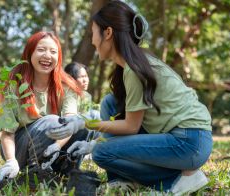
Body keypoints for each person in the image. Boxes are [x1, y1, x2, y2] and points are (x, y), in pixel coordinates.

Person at [46, 1, 213, 195]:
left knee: (101, 152)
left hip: (189, 141)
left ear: (107, 33)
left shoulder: (134, 69)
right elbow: (126, 119)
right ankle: (121, 180)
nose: (92, 40)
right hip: (184, 137)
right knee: (111, 102)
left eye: (93, 32)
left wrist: (84, 124)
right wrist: (95, 139)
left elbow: (131, 127)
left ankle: (179, 179)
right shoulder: (130, 65)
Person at [0, 31, 88, 183]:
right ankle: (35, 171)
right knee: (52, 121)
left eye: (53, 52)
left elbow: (71, 122)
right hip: (18, 149)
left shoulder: (67, 86)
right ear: (29, 53)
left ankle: (65, 172)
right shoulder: (13, 86)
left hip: (54, 146)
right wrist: (11, 161)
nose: (47, 55)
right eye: (41, 50)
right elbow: (7, 133)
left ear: (58, 58)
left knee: (82, 124)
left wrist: (57, 146)